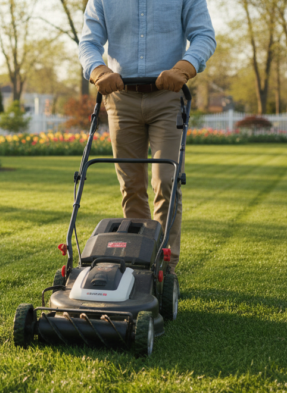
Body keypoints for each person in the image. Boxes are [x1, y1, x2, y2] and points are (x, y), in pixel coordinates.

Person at [78, 0, 216, 274]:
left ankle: (165, 265)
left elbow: (204, 35)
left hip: (167, 96)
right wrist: (98, 70)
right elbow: (88, 42)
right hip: (120, 98)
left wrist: (185, 67)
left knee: (166, 179)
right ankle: (139, 263)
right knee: (131, 184)